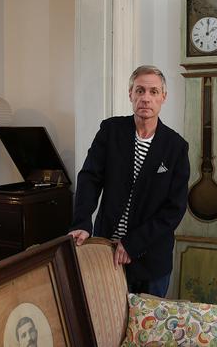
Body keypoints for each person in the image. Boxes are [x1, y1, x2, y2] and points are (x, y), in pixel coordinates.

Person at [68, 65, 189, 298]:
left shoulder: (176, 147)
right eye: (140, 90)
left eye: (153, 92)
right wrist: (82, 222)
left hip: (151, 258)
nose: (146, 98)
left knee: (147, 329)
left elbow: (174, 209)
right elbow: (89, 178)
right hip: (107, 251)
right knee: (107, 326)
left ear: (163, 97)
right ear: (130, 94)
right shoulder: (111, 130)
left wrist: (133, 243)